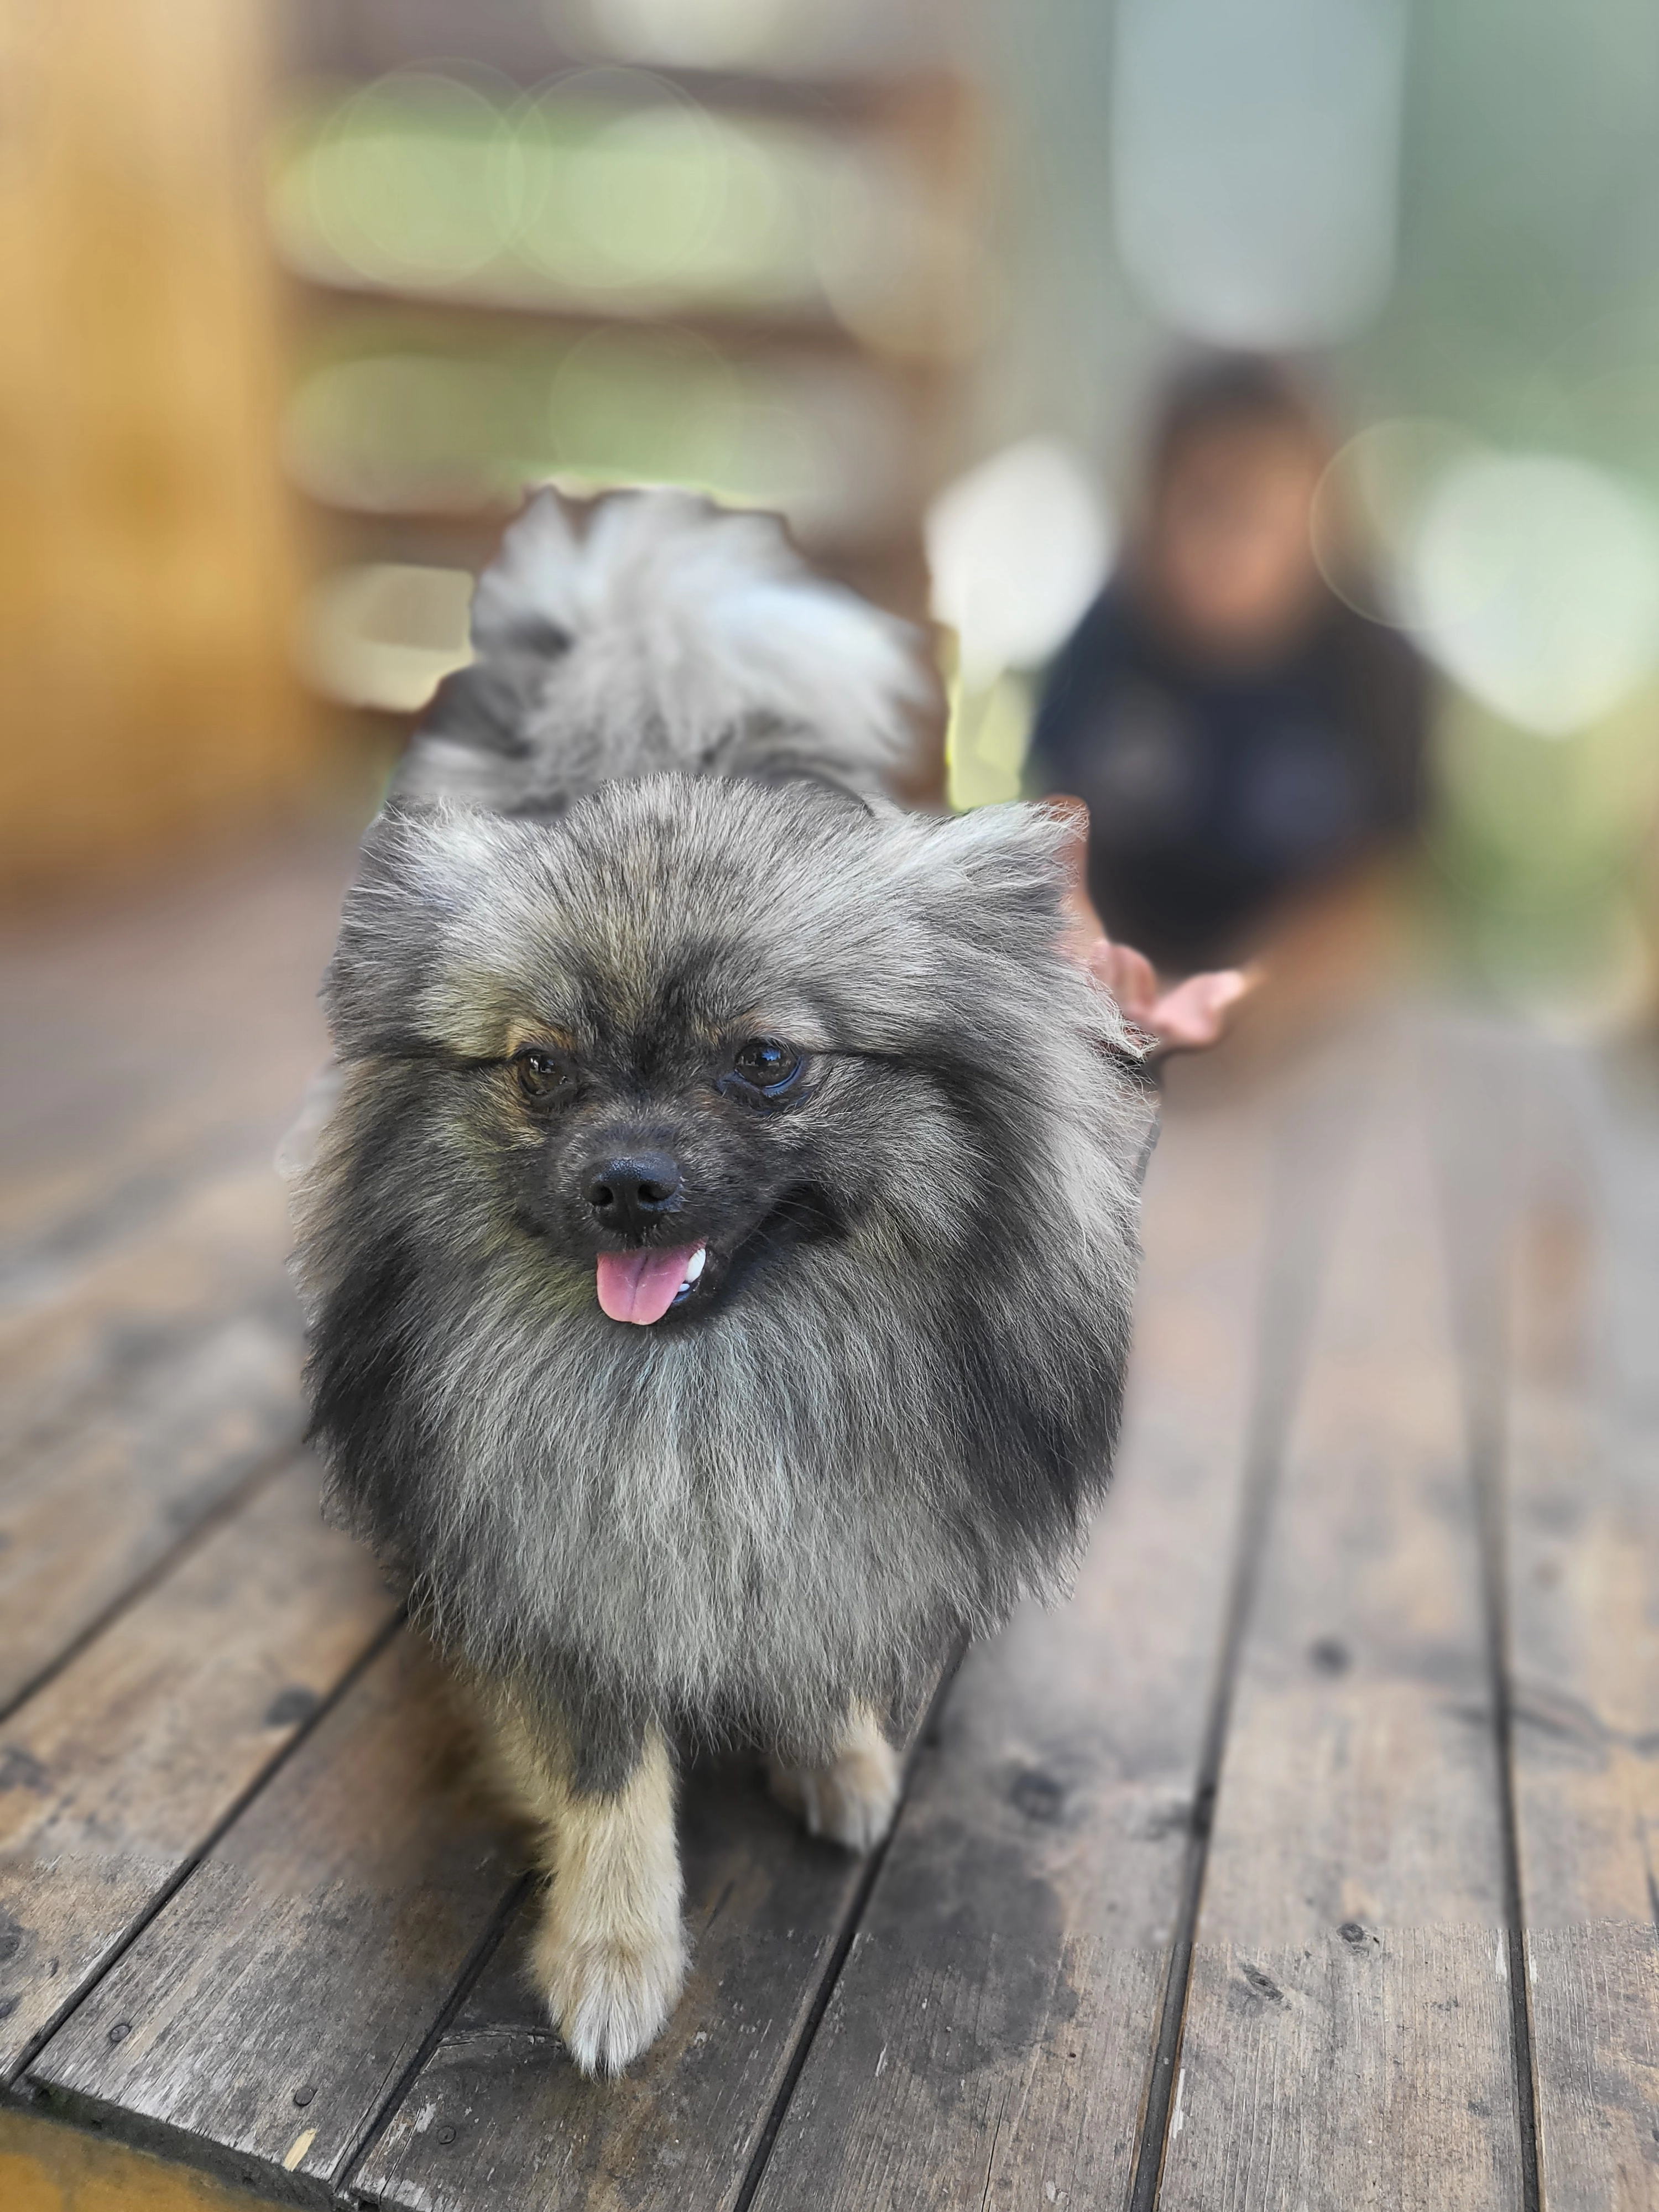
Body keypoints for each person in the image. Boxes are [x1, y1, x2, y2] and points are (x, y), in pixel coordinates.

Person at [1027, 356, 1428, 983]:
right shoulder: (1108, 639)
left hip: (1303, 1005)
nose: (1226, 541)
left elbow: (1385, 881)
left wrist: (1262, 999)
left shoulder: (1372, 664)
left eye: (1257, 509)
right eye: (1204, 500)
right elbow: (1056, 833)